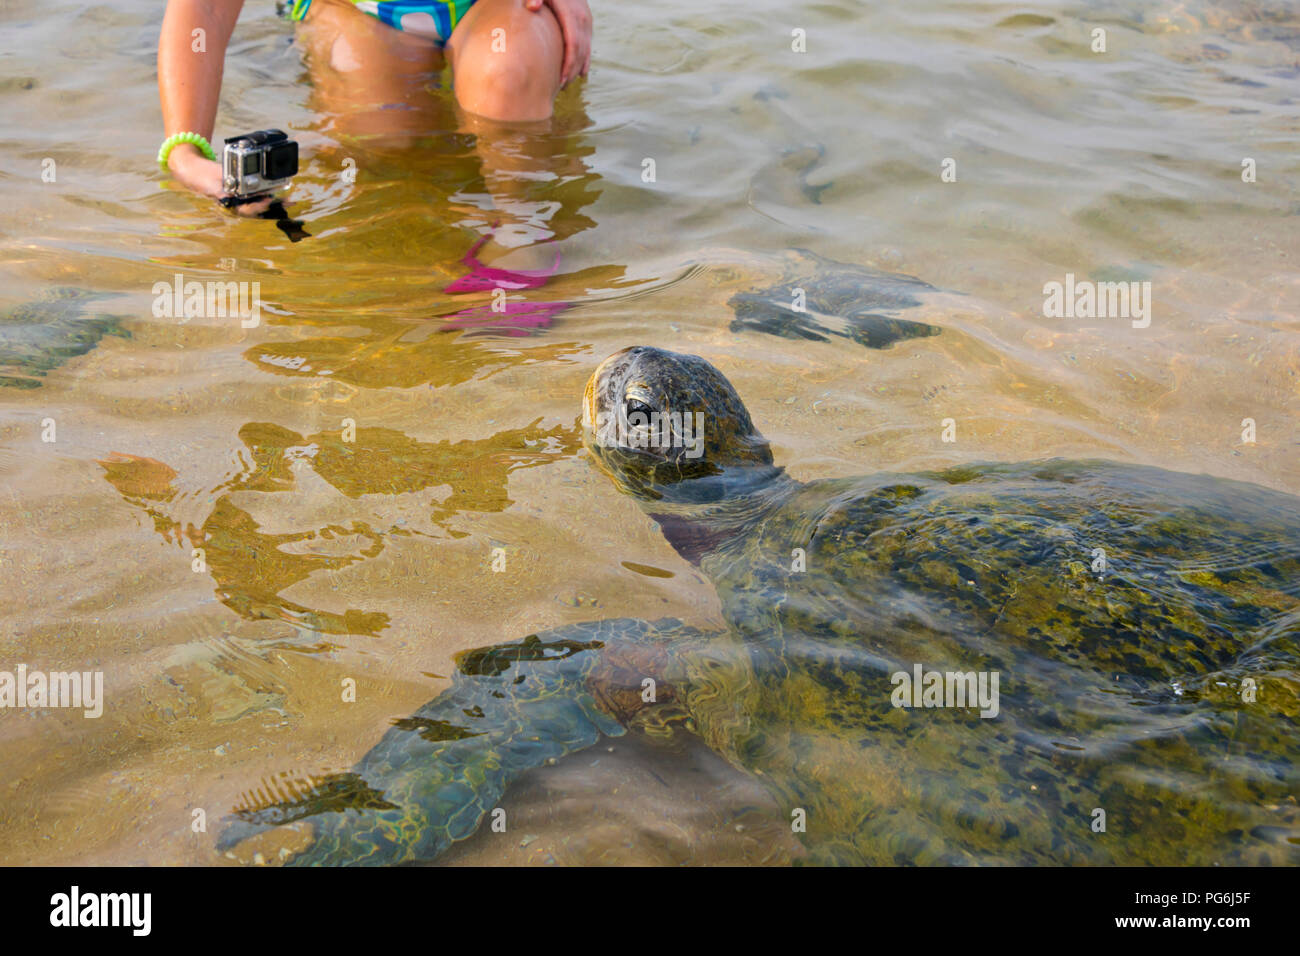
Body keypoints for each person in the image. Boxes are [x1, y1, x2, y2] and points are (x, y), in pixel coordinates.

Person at [157, 0, 593, 215]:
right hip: (356, 8)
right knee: (383, 141)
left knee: (507, 77)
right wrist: (185, 150)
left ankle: (522, 230)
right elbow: (207, 9)